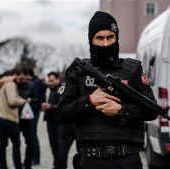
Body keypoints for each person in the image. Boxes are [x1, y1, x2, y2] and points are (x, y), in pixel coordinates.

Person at [57, 11, 158, 169]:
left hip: (127, 160)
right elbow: (62, 114)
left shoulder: (133, 70)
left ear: (117, 37)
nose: (105, 44)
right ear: (91, 40)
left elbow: (152, 111)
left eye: (110, 37)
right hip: (90, 160)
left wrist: (122, 110)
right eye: (99, 38)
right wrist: (89, 100)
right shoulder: (77, 71)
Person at [0, 70, 26, 169]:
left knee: (1, 145)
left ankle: (2, 166)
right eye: (18, 76)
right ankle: (18, 166)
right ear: (14, 75)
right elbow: (12, 101)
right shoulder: (10, 84)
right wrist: (22, 101)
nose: (19, 79)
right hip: (8, 118)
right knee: (16, 144)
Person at [42, 71, 75, 169]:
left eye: (52, 80)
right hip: (50, 121)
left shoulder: (63, 88)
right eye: (49, 80)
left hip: (61, 123)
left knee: (62, 148)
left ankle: (61, 166)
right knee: (53, 146)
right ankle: (56, 165)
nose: (50, 82)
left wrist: (51, 106)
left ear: (57, 79)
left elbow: (66, 105)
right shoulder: (49, 89)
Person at [16, 68, 38, 169]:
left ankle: (27, 163)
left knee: (30, 142)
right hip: (15, 117)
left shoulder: (31, 85)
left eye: (24, 77)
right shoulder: (13, 85)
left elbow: (36, 98)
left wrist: (31, 100)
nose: (22, 79)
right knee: (16, 143)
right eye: (20, 77)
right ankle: (18, 164)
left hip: (27, 118)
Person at [26, 67, 46, 165]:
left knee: (32, 135)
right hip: (35, 111)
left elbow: (36, 98)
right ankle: (34, 158)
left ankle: (35, 158)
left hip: (34, 111)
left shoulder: (35, 83)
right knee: (32, 135)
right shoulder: (37, 81)